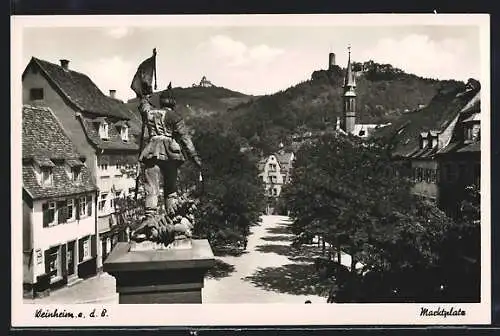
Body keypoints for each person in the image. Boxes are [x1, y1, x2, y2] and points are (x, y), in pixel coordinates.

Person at [138, 84, 202, 221]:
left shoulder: (150, 113)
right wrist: (195, 158)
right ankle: (172, 216)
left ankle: (150, 217)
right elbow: (185, 139)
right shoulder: (174, 116)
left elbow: (144, 106)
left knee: (151, 187)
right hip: (170, 154)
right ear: (173, 103)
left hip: (151, 151)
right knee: (170, 188)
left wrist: (145, 97)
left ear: (161, 101)